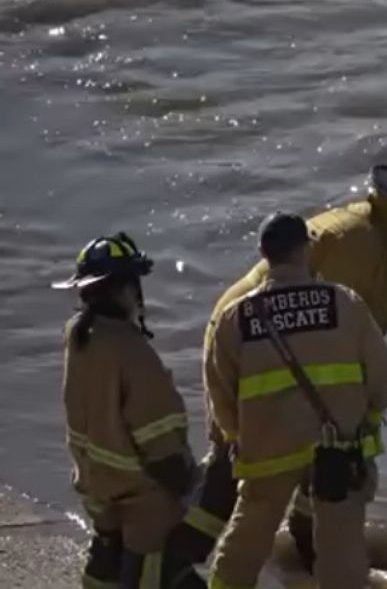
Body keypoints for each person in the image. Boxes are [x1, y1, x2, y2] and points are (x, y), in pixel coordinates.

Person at [172, 164, 387, 567]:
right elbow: (320, 325)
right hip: (250, 349)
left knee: (324, 461)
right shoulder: (353, 242)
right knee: (239, 461)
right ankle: (175, 559)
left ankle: (305, 552)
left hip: (299, 361)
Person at [205, 213, 387, 589]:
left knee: (246, 540)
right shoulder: (343, 302)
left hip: (267, 450)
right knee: (341, 547)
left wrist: (236, 436)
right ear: (306, 249)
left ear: (264, 254)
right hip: (338, 445)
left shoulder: (235, 316)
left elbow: (219, 391)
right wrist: (370, 416)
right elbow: (381, 375)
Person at [55, 232, 205, 589]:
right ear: (126, 290)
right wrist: (191, 490)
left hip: (97, 487)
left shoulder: (78, 335)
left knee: (106, 562)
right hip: (143, 500)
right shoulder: (134, 353)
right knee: (157, 573)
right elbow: (161, 443)